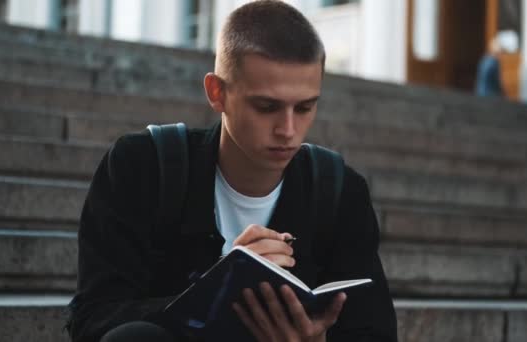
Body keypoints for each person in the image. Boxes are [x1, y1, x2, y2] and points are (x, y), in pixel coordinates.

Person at [66, 1, 397, 341]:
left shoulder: (340, 191)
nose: (288, 129)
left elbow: (375, 332)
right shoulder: (142, 167)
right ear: (217, 92)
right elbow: (93, 321)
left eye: (304, 107)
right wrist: (219, 286)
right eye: (266, 107)